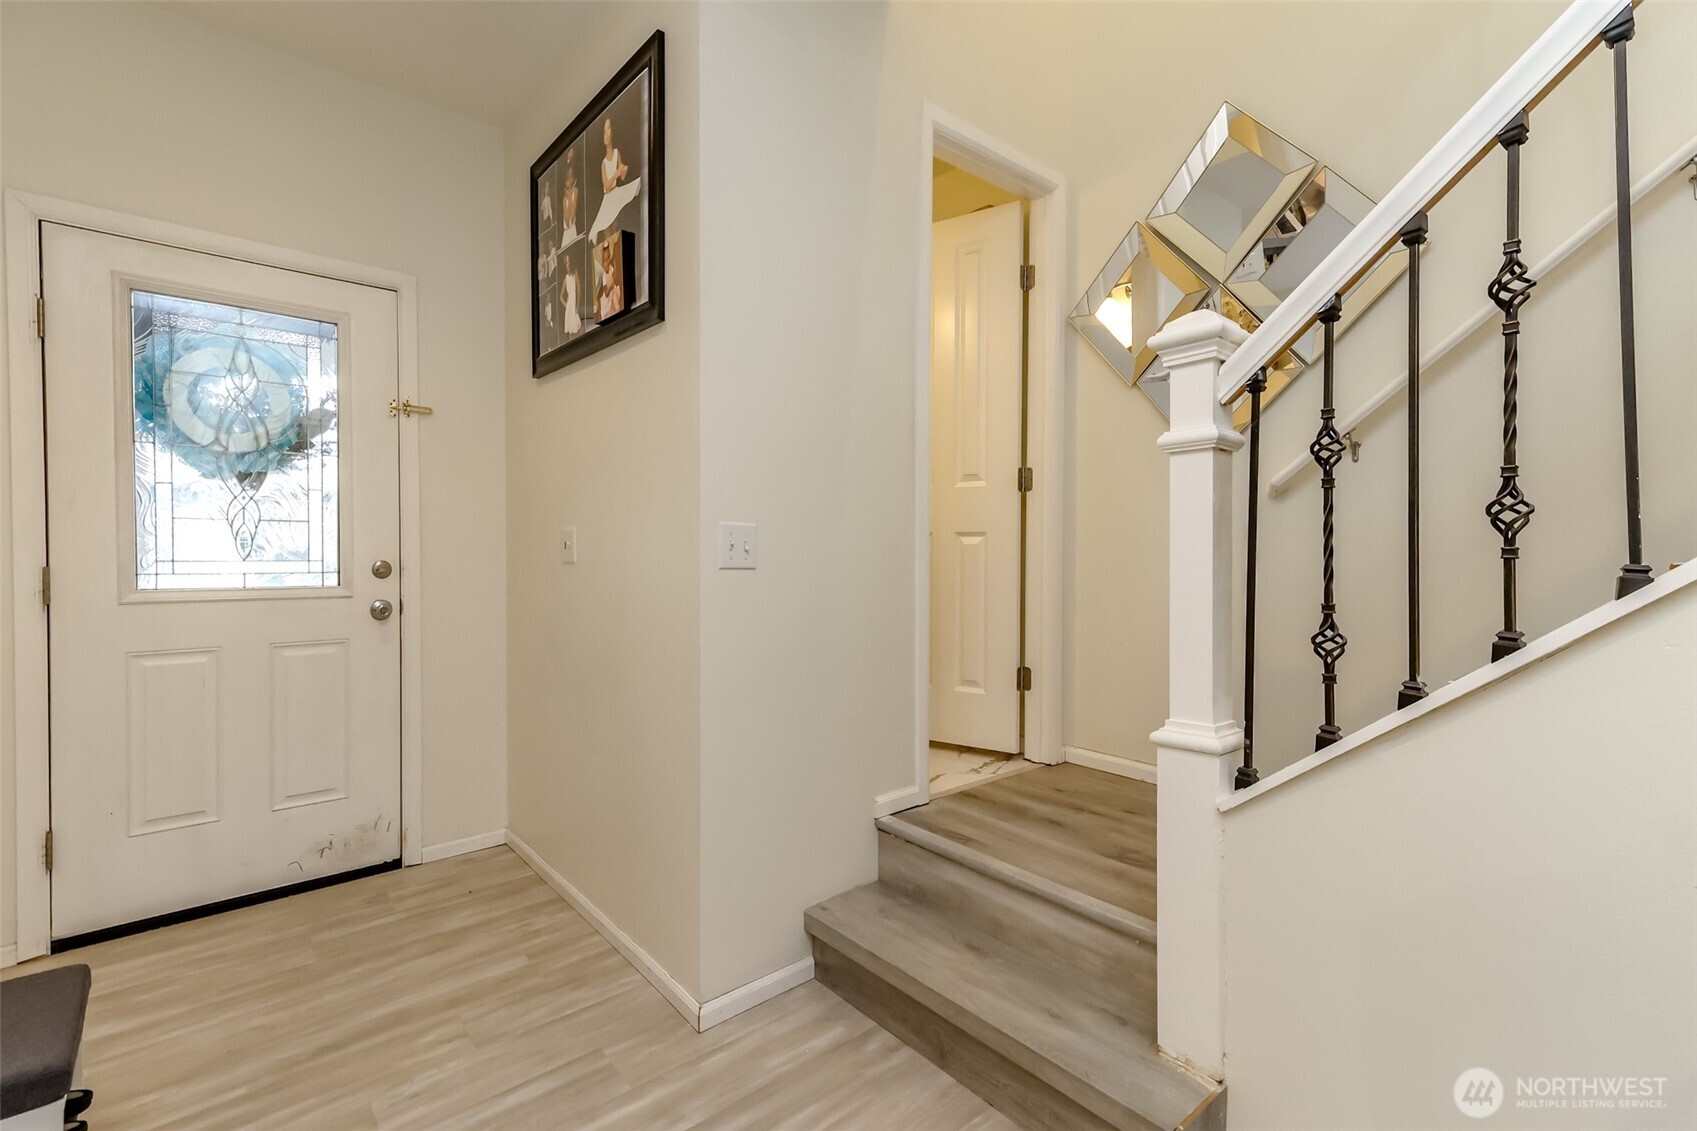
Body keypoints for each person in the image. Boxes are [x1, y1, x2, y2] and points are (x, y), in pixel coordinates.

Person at [596, 238, 623, 320]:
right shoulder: (603, 270)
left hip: (613, 292)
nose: (607, 253)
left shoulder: (611, 265)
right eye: (605, 252)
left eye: (608, 251)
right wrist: (610, 287)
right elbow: (606, 293)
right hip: (607, 296)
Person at [600, 119, 628, 192]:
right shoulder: (604, 163)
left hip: (616, 191)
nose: (606, 133)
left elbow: (622, 177)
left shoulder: (616, 152)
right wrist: (617, 173)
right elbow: (607, 187)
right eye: (604, 132)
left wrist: (624, 170)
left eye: (608, 128)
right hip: (608, 196)